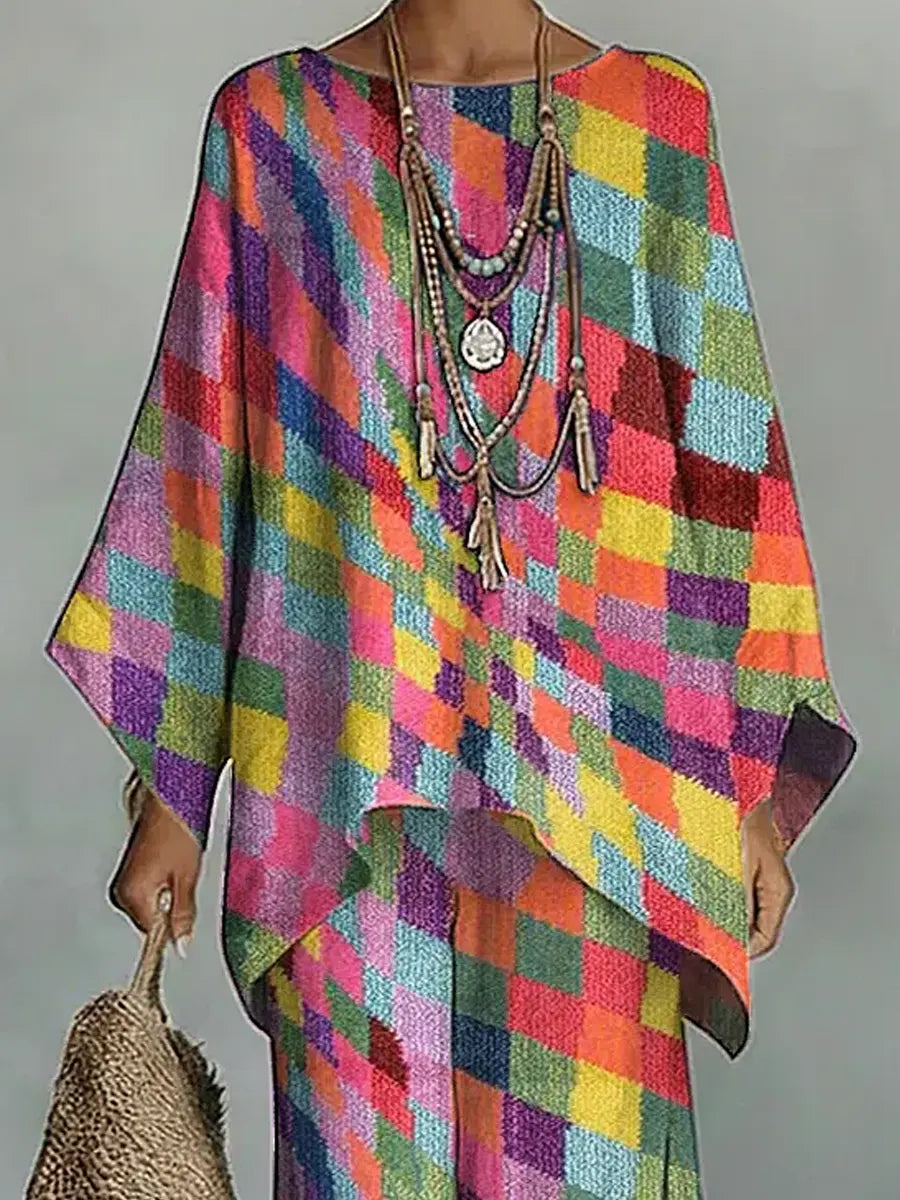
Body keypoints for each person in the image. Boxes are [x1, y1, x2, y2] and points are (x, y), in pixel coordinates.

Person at [44, 0, 857, 1196]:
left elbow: (725, 459)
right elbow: (204, 449)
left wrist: (746, 778)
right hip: (341, 798)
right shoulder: (273, 129)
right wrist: (175, 791)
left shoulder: (653, 124)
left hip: (608, 799)